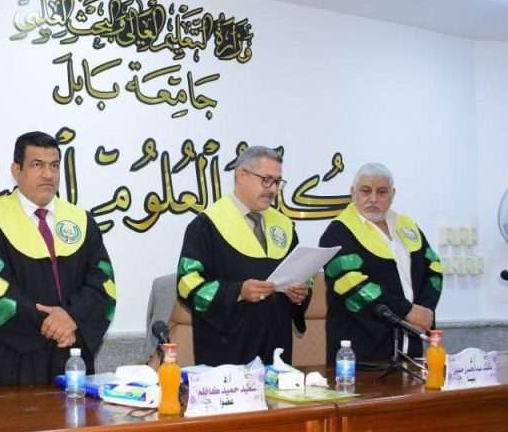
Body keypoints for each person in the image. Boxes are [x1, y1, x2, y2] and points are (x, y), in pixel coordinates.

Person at [0, 131, 116, 386]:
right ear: (16, 170)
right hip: (15, 362)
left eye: (54, 166)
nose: (48, 174)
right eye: (37, 165)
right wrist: (50, 324)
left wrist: (72, 318)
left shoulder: (81, 221)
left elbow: (103, 284)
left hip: (72, 357)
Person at [176, 146, 310, 366]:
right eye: (266, 180)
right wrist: (238, 292)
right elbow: (187, 285)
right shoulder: (206, 226)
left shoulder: (284, 226)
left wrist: (300, 294)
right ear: (241, 175)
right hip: (228, 352)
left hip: (276, 349)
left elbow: (302, 275)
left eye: (277, 182)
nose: (272, 189)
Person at [319, 162, 442, 363]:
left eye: (382, 192)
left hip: (411, 345)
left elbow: (433, 268)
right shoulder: (338, 232)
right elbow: (351, 285)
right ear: (353, 193)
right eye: (365, 191)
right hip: (360, 353)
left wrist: (424, 310)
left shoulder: (406, 226)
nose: (373, 199)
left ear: (392, 194)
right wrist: (406, 311)